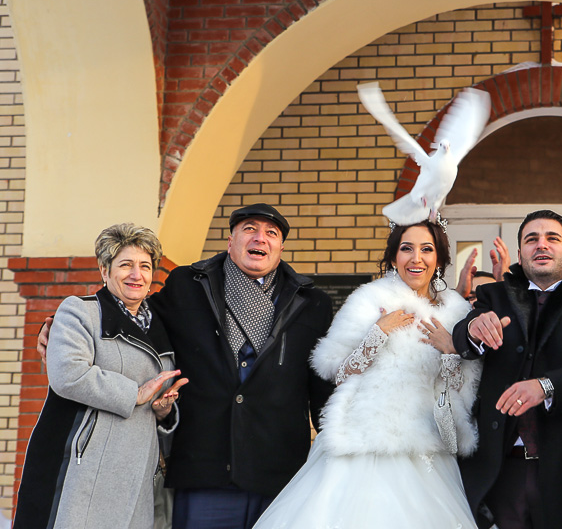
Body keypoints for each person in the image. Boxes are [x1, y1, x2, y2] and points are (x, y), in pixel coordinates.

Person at [37, 203, 335, 529]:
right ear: (230, 241)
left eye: (271, 233)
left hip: (279, 471)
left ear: (280, 247)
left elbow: (324, 382)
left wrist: (339, 449)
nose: (259, 238)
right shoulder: (188, 284)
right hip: (204, 466)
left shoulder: (314, 303)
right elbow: (135, 320)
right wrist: (63, 329)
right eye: (249, 229)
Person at [252, 219, 482, 528]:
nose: (416, 258)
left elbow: (462, 388)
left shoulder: (456, 310)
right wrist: (376, 334)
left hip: (426, 443)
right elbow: (337, 370)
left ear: (439, 259)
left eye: (426, 249)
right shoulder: (369, 299)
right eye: (406, 248)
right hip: (364, 437)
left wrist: (451, 350)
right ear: (393, 257)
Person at [452, 209, 562, 529]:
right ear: (520, 254)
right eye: (531, 239)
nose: (541, 245)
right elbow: (462, 336)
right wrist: (473, 329)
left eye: (552, 238)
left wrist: (545, 386)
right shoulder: (493, 296)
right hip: (503, 471)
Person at [16, 224, 188, 528]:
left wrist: (164, 411)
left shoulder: (164, 326)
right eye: (126, 265)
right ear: (105, 271)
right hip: (84, 470)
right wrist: (134, 394)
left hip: (139, 475)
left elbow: (161, 396)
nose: (136, 274)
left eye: (145, 266)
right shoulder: (79, 311)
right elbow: (68, 374)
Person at [457, 235, 511, 305]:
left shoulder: (505, 307)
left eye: (488, 297)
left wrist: (503, 287)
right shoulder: (455, 306)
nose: (477, 302)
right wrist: (459, 294)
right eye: (470, 297)